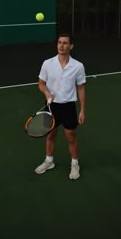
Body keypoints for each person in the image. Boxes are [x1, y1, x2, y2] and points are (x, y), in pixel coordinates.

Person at [35, 33, 86, 180]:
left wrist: (82, 109)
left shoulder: (78, 66)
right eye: (59, 42)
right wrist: (46, 94)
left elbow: (81, 88)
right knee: (50, 134)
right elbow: (41, 83)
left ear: (71, 46)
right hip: (51, 106)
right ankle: (49, 161)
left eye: (65, 43)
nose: (61, 45)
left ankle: (75, 164)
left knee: (71, 137)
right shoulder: (47, 63)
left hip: (69, 107)